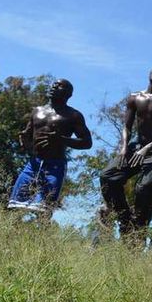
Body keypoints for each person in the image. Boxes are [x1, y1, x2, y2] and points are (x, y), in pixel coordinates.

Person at [100, 63, 152, 238]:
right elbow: (126, 126)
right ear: (149, 72)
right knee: (108, 176)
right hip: (134, 148)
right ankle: (125, 220)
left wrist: (147, 149)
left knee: (144, 188)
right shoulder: (135, 97)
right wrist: (123, 148)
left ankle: (138, 232)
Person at [8, 79, 92, 213]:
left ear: (68, 94)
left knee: (44, 209)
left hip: (55, 165)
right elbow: (28, 138)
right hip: (33, 164)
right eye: (54, 84)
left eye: (60, 86)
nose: (54, 86)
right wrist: (24, 140)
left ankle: (42, 233)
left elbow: (87, 143)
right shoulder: (37, 111)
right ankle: (12, 233)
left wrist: (61, 140)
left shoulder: (73, 115)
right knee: (15, 206)